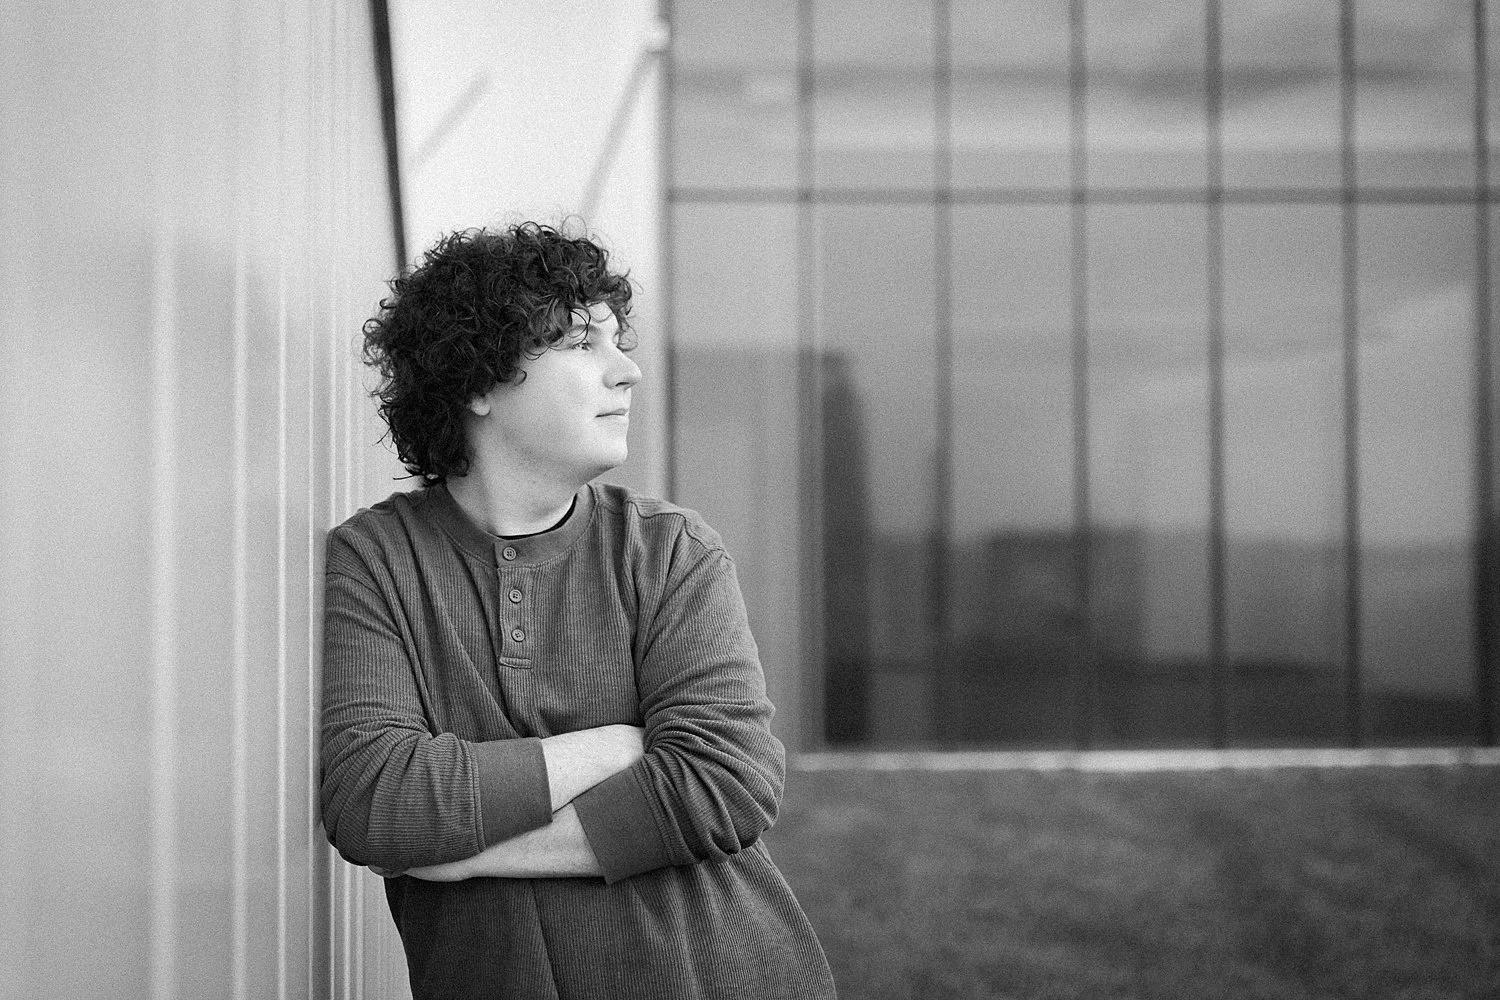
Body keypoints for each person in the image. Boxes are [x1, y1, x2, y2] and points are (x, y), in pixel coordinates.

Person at [319, 222, 837, 1000]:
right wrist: (616, 749)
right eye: (578, 343)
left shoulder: (669, 550)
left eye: (615, 341)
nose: (626, 370)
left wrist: (460, 853)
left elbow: (728, 783)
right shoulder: (374, 563)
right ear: (479, 383)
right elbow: (375, 800)